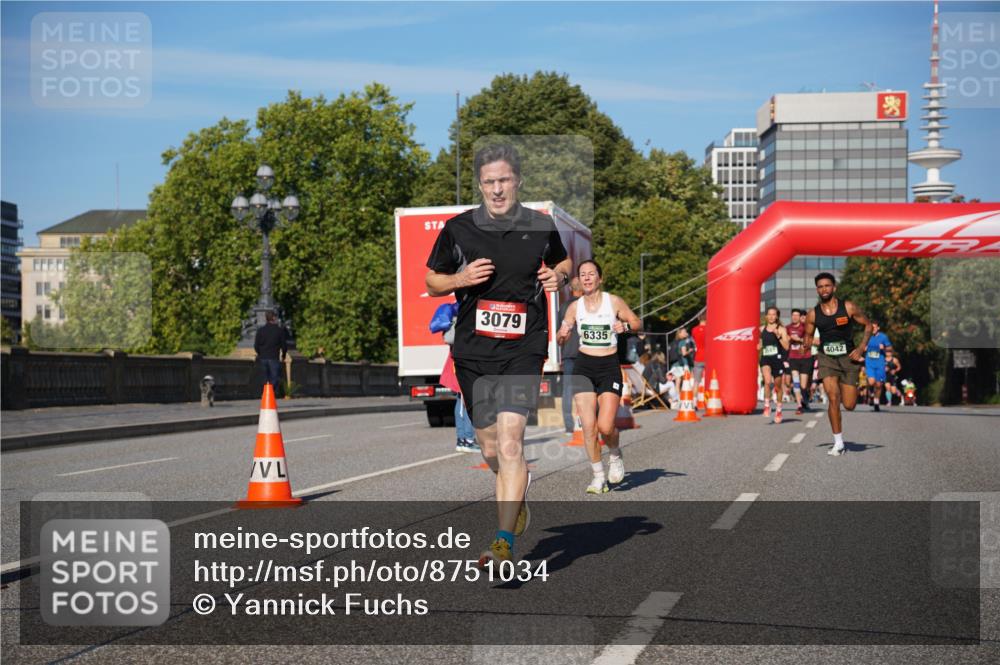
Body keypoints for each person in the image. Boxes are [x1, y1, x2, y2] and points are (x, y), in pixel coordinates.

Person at [425, 144, 572, 567]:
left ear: (518, 181)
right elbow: (433, 281)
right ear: (480, 185)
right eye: (489, 182)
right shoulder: (459, 228)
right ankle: (515, 494)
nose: (496, 189)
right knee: (490, 449)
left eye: (503, 180)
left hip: (523, 348)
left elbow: (563, 265)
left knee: (511, 444)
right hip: (473, 351)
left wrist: (556, 276)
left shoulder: (540, 226)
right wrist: (460, 277)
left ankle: (504, 539)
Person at [557, 259, 641, 494]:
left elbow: (637, 322)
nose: (586, 277)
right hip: (584, 366)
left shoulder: (612, 301)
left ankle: (615, 455)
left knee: (605, 426)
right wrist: (562, 334)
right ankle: (597, 476)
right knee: (588, 427)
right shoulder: (574, 307)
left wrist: (624, 327)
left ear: (600, 278)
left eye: (591, 274)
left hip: (608, 366)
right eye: (582, 274)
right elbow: (560, 337)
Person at [804, 272, 871, 456]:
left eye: (827, 285)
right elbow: (808, 337)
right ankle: (838, 442)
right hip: (827, 358)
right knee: (833, 397)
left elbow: (868, 325)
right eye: (820, 286)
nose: (824, 289)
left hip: (848, 358)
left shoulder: (848, 307)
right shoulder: (813, 314)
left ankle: (847, 386)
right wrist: (803, 344)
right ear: (817, 289)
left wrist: (861, 348)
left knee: (849, 405)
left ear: (834, 287)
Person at [431, 300, 479, 453]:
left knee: (461, 401)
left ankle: (463, 438)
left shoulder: (456, 315)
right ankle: (467, 440)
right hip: (463, 364)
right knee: (468, 401)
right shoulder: (466, 315)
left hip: (455, 363)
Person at [558, 278, 584, 435]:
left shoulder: (563, 307)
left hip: (568, 353)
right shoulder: (586, 306)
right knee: (587, 389)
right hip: (585, 352)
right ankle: (587, 422)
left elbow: (559, 331)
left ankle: (569, 427)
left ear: (570, 289)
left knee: (567, 391)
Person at [758, 307, 791, 424]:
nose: (771, 317)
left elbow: (786, 347)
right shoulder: (761, 329)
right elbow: (760, 344)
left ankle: (778, 410)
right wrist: (758, 347)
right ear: (766, 316)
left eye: (774, 315)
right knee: (767, 381)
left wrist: (779, 336)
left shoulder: (781, 329)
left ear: (777, 316)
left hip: (777, 359)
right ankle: (767, 405)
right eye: (769, 314)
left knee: (777, 387)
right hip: (766, 358)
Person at [785, 308, 813, 415]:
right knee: (796, 382)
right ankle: (799, 405)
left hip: (805, 358)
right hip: (793, 358)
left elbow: (810, 341)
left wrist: (799, 339)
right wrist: (787, 338)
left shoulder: (805, 327)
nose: (795, 317)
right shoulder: (787, 328)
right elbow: (784, 340)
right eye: (793, 315)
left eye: (797, 315)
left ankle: (805, 400)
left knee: (803, 385)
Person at [864, 320, 894, 412]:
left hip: (880, 364)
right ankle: (871, 394)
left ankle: (876, 402)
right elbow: (861, 346)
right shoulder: (867, 336)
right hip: (869, 363)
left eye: (874, 327)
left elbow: (890, 348)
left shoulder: (883, 337)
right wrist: (863, 348)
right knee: (872, 382)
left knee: (879, 385)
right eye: (871, 327)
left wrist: (884, 348)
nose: (873, 329)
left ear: (878, 328)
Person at [254, 310, 287, 393]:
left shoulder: (261, 330)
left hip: (263, 357)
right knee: (274, 377)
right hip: (273, 357)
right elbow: (284, 345)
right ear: (274, 318)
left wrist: (260, 353)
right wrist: (283, 355)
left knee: (264, 377)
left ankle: (265, 393)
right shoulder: (279, 331)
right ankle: (270, 392)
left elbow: (256, 345)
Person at [669, 328, 696, 395]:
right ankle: (689, 398)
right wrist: (690, 350)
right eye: (684, 332)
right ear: (679, 333)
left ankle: (678, 398)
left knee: (678, 383)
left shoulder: (674, 342)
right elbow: (684, 353)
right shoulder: (683, 342)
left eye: (686, 331)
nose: (686, 333)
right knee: (688, 381)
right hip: (683, 365)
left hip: (676, 365)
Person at [690, 313, 707, 388]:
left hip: (698, 357)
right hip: (709, 357)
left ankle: (694, 399)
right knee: (711, 380)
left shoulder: (694, 330)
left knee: (696, 381)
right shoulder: (710, 329)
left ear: (698, 319)